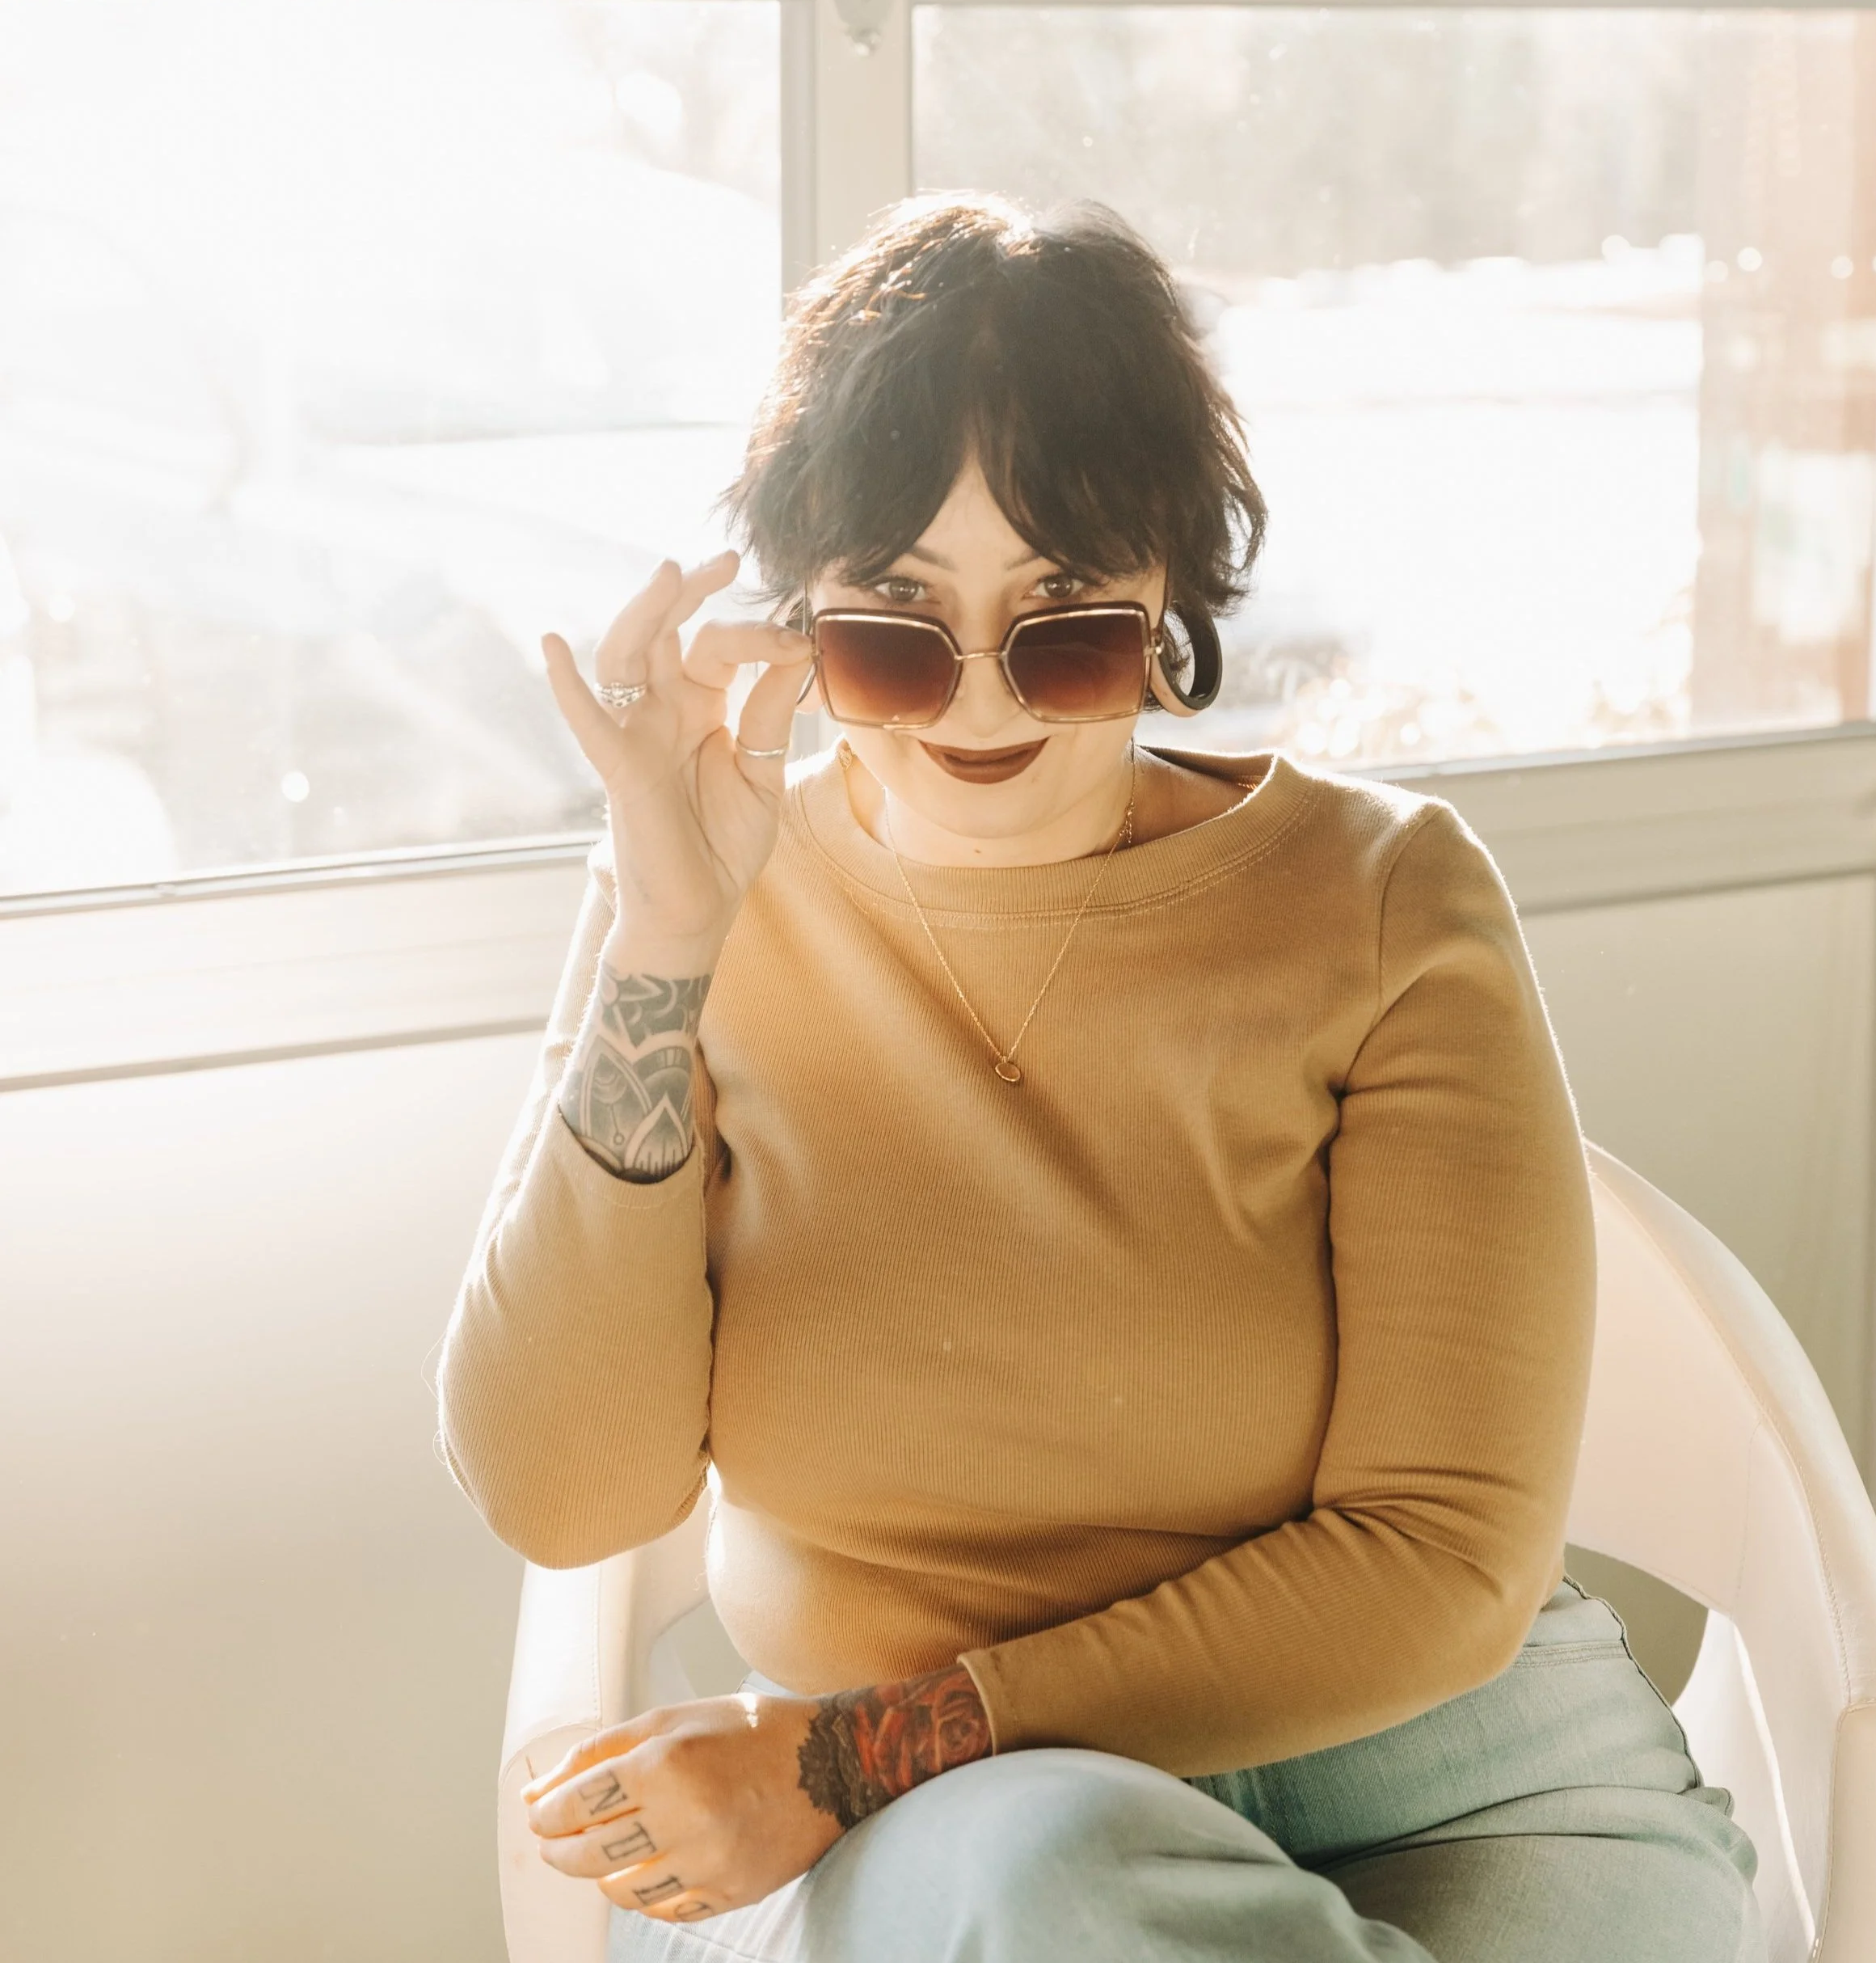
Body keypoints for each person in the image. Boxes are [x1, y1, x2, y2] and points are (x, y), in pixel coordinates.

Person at [436, 194, 1763, 1962]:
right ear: (798, 624)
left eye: (1060, 627)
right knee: (1049, 1888)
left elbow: (1438, 1553)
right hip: (947, 1846)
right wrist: (666, 947)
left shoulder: (1382, 901)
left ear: (1169, 603)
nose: (979, 708)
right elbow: (561, 1487)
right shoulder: (695, 904)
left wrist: (843, 1749)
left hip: (1444, 1777)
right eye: (893, 635)